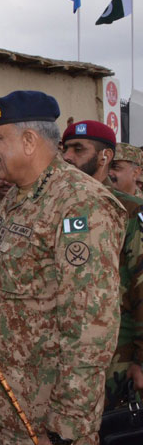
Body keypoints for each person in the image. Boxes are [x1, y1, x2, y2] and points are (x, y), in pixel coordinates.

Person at [0, 91, 126, 445]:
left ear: (29, 141)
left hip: (45, 415)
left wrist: (69, 419)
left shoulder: (81, 204)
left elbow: (91, 322)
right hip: (6, 400)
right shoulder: (16, 196)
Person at [61, 120, 143, 409]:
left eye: (78, 149)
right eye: (66, 149)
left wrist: (140, 361)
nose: (68, 157)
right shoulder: (61, 205)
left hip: (114, 355)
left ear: (105, 157)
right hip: (64, 350)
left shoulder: (129, 211)